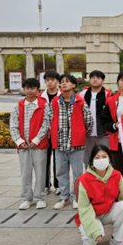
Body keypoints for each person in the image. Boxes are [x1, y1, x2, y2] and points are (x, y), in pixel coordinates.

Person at [75, 145, 123, 245]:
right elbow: (84, 208)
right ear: (92, 161)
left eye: (104, 156)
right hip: (90, 215)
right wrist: (95, 231)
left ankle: (116, 240)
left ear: (109, 159)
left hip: (107, 212)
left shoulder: (116, 175)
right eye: (97, 157)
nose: (101, 160)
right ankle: (87, 236)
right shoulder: (84, 180)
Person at [51, 74, 94, 210]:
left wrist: (81, 135)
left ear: (74, 85)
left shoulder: (80, 102)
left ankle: (76, 197)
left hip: (77, 145)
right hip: (60, 143)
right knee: (60, 172)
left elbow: (89, 121)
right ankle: (64, 197)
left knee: (78, 173)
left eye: (67, 81)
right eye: (62, 82)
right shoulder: (55, 102)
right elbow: (49, 119)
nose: (64, 84)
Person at [9, 78, 52, 210]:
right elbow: (13, 126)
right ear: (24, 89)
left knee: (40, 172)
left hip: (39, 145)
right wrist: (20, 141)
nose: (30, 91)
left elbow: (46, 124)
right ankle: (27, 198)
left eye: (33, 88)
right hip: (23, 146)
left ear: (38, 90)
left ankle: (40, 198)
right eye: (27, 88)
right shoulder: (18, 106)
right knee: (25, 173)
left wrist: (36, 140)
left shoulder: (44, 105)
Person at [79, 70, 112, 165]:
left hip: (103, 133)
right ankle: (89, 174)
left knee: (104, 159)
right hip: (87, 133)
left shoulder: (107, 94)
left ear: (103, 80)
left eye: (98, 78)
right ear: (89, 80)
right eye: (92, 78)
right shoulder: (83, 94)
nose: (95, 80)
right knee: (88, 160)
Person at [40, 71, 61, 196]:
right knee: (44, 160)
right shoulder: (40, 97)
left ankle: (58, 185)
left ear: (57, 81)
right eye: (47, 80)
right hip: (44, 134)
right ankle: (45, 184)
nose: (50, 82)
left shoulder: (62, 96)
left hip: (58, 133)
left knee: (58, 160)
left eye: (52, 79)